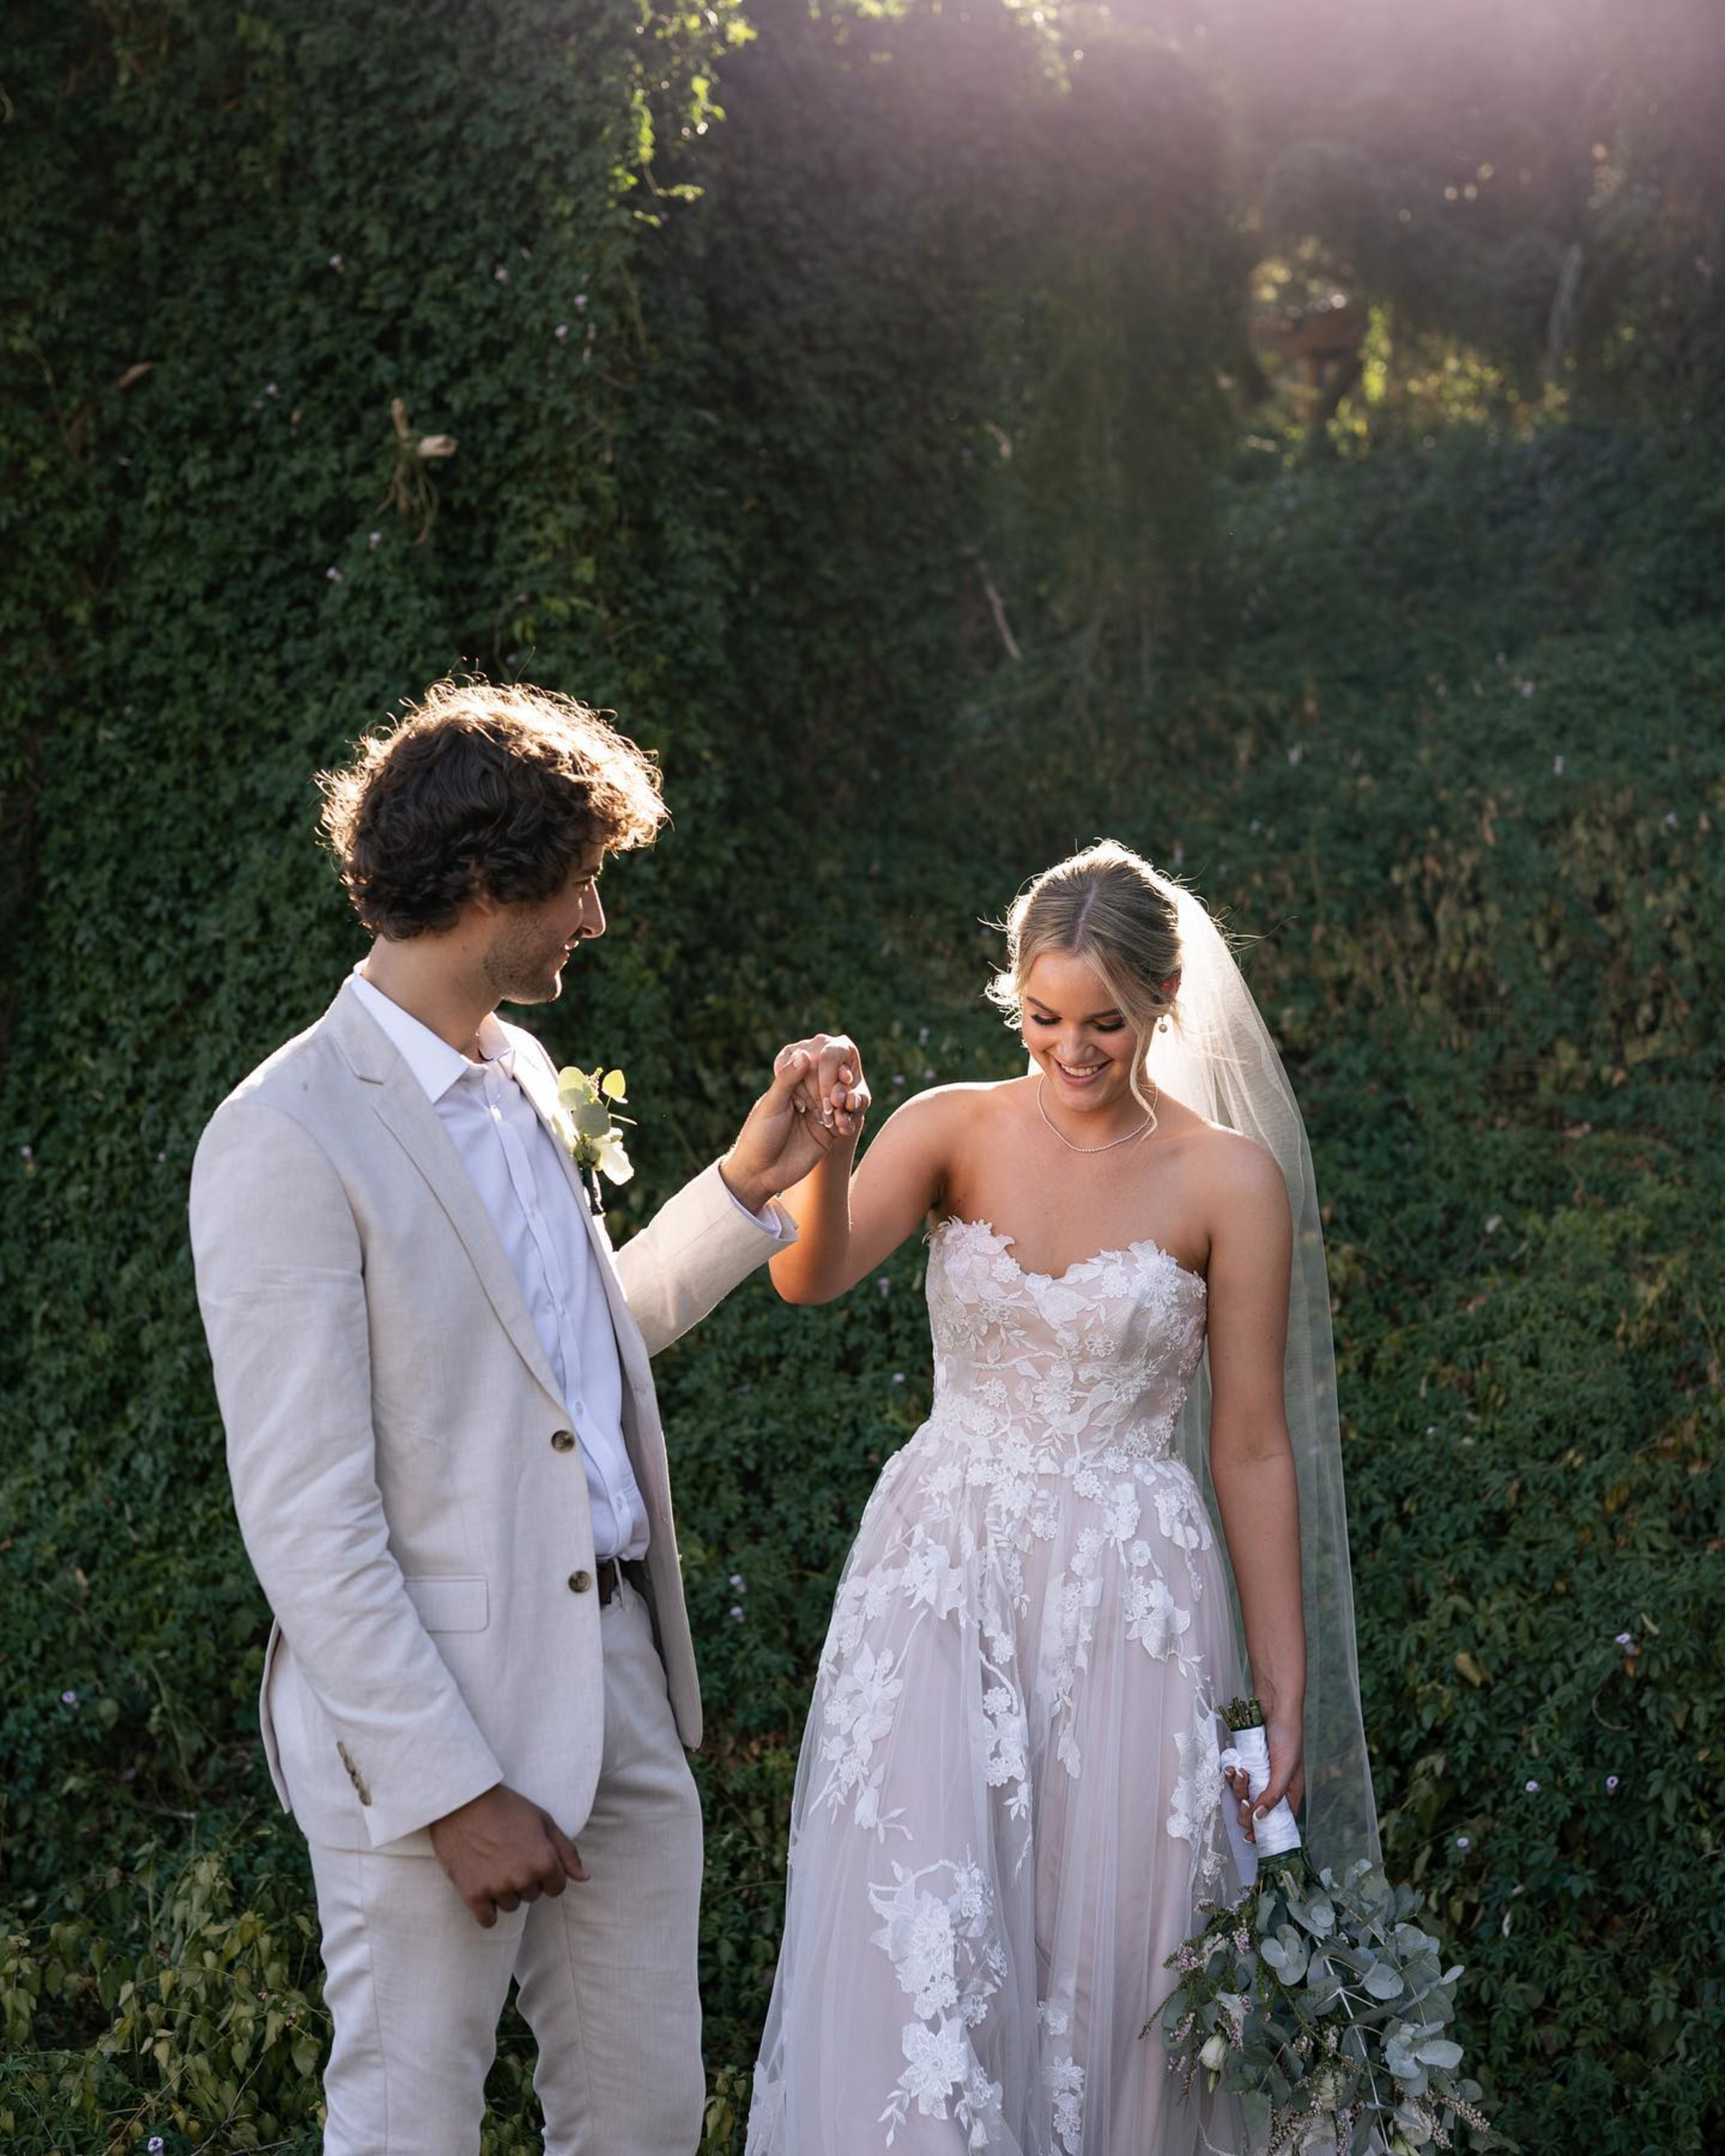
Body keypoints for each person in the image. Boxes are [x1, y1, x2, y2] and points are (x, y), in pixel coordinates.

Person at [188, 678, 867, 2156]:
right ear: (488, 878)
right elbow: (310, 1517)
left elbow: (563, 1366)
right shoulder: (284, 1135)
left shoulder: (528, 1077)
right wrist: (451, 1789)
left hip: (620, 1678)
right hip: (437, 1717)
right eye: (586, 882)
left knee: (640, 2118)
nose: (597, 922)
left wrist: (752, 1186)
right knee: (409, 2124)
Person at [747, 839, 1376, 2155]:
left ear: (1164, 1001)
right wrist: (824, 1153)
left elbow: (1251, 1445)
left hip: (1131, 1604)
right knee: (922, 1928)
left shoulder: (1228, 1182)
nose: (1071, 1050)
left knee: (1123, 1956)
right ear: (1012, 997)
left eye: (1104, 1021)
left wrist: (1285, 1678)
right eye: (1042, 1019)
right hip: (942, 1575)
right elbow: (808, 1279)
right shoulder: (951, 1128)